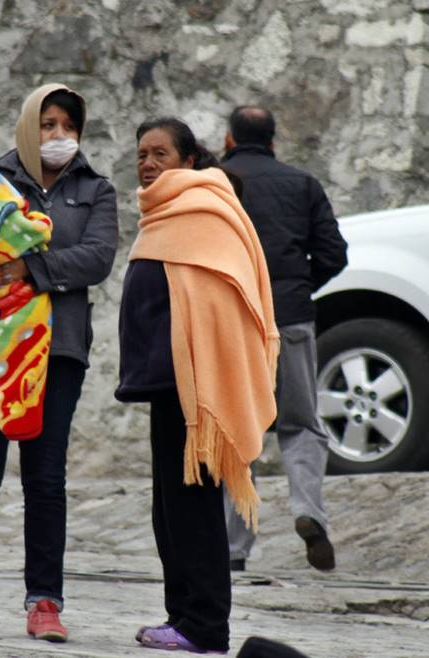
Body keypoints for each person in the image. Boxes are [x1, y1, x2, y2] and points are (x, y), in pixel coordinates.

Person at [0, 83, 118, 641]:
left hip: (57, 349)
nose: (59, 135)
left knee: (45, 477)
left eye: (68, 125)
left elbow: (97, 257)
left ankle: (44, 603)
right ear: (27, 126)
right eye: (48, 124)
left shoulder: (96, 189)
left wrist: (26, 271)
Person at [116, 117, 279, 654]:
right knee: (169, 509)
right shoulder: (163, 211)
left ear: (188, 160)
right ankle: (181, 616)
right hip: (167, 383)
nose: (147, 163)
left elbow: (223, 302)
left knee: (193, 508)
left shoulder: (206, 208)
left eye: (159, 153)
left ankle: (205, 626)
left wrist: (203, 374)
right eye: (141, 153)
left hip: (197, 389)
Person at [219, 105, 348, 572]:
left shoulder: (216, 182)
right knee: (301, 424)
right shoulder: (302, 184)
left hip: (233, 322)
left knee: (238, 434)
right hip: (291, 318)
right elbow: (335, 254)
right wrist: (296, 285)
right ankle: (308, 512)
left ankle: (233, 549)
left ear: (229, 139)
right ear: (274, 140)